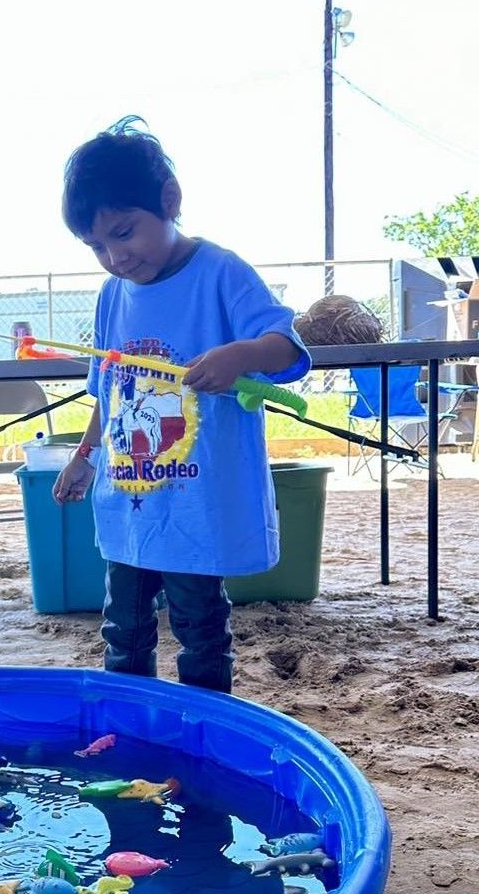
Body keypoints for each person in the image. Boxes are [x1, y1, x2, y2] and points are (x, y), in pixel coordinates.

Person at [52, 118, 310, 692]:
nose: (115, 257)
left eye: (124, 232)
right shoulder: (113, 295)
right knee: (122, 624)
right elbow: (108, 390)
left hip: (194, 498)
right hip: (129, 495)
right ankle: (128, 721)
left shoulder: (220, 272)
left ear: (169, 200)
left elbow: (289, 351)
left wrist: (240, 355)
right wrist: (84, 454)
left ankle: (205, 723)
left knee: (199, 622)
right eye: (96, 246)